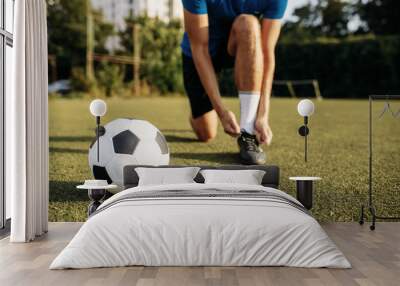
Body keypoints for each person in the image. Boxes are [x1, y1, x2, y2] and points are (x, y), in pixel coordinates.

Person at [181, 0, 288, 165]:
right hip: (202, 51)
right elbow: (200, 49)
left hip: (239, 42)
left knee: (248, 23)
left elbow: (267, 53)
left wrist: (262, 114)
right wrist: (221, 112)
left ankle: (247, 133)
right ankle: (197, 116)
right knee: (206, 134)